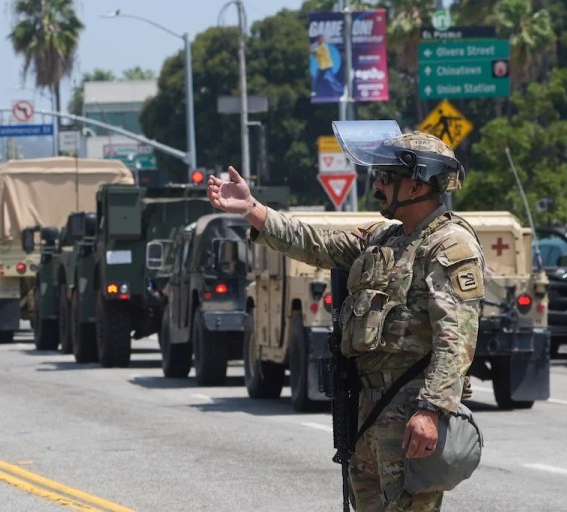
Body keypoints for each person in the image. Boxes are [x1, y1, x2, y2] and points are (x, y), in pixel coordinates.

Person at [207, 128, 484, 511]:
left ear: (417, 185)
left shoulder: (449, 244)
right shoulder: (384, 239)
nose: (378, 185)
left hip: (410, 407)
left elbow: (456, 338)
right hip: (368, 406)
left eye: (386, 177)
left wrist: (432, 409)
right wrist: (251, 209)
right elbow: (315, 244)